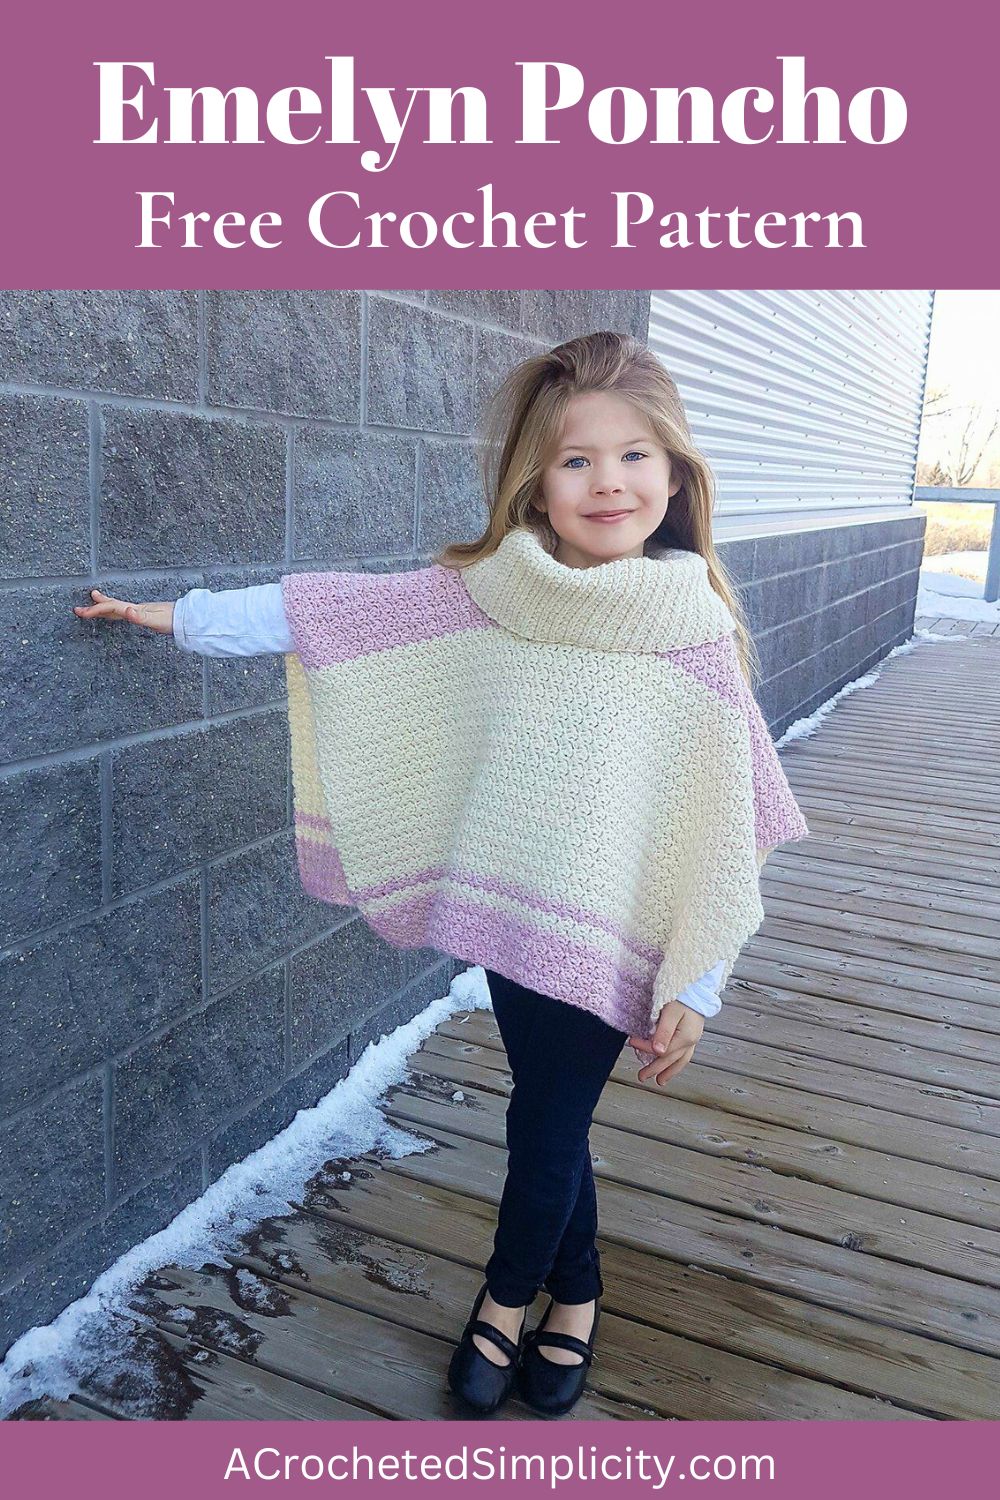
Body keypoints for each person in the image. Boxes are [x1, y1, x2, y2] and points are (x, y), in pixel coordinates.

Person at [73, 330, 809, 1419]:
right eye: (575, 460)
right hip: (516, 925)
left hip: (621, 932)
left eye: (634, 456)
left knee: (546, 1127)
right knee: (547, 1116)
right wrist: (176, 616)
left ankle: (506, 1304)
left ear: (676, 472)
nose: (608, 481)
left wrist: (693, 983)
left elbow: (723, 825)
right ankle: (581, 1295)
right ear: (536, 482)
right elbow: (322, 613)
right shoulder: (489, 595)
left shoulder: (692, 636)